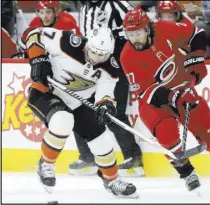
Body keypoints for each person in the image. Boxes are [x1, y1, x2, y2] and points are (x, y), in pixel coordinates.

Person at [120, 6, 210, 192]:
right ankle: (187, 173)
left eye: (137, 33)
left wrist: (196, 59)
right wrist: (172, 96)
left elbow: (197, 34)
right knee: (166, 134)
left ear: (147, 28)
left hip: (184, 91)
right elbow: (146, 91)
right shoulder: (127, 55)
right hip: (154, 103)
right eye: (130, 34)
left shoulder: (163, 28)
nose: (134, 39)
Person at [25, 26, 138, 198]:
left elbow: (105, 91)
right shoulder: (68, 42)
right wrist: (38, 59)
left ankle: (112, 180)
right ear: (87, 45)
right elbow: (34, 34)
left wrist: (106, 104)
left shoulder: (110, 67)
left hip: (76, 103)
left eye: (103, 55)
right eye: (94, 53)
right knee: (63, 120)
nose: (97, 59)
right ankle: (45, 164)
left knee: (101, 139)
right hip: (45, 92)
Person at [69, 0, 144, 177]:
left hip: (115, 68)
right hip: (91, 68)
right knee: (79, 108)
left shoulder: (118, 4)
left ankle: (133, 157)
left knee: (113, 112)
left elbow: (139, 27)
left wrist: (117, 43)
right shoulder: (86, 6)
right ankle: (88, 157)